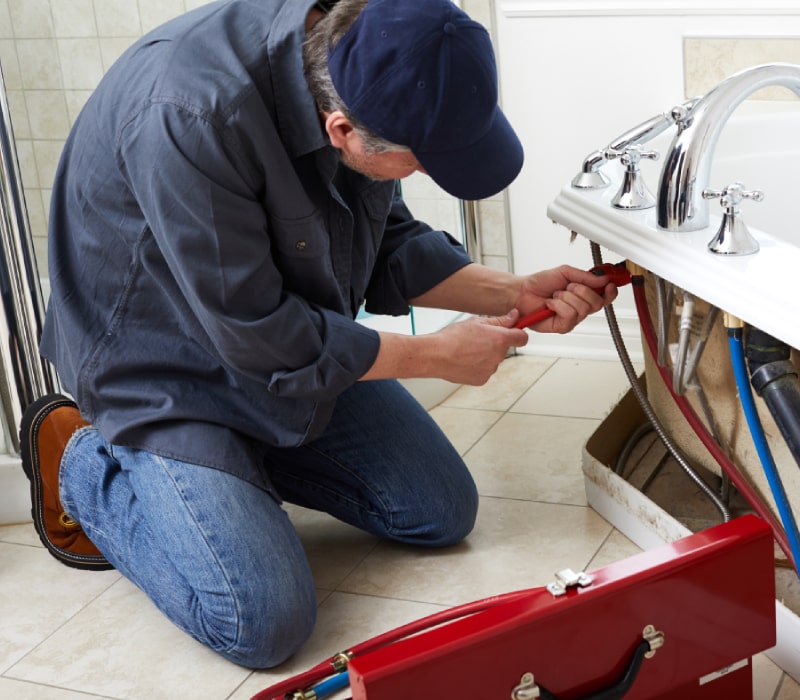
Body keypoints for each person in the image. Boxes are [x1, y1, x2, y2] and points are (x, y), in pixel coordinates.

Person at [20, 0, 617, 669]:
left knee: (439, 511)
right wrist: (433, 357)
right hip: (167, 369)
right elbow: (259, 332)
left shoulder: (361, 62)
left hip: (281, 341)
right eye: (419, 163)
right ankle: (83, 464)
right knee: (261, 623)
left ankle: (238, 470)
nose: (421, 175)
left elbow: (388, 242)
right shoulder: (191, 113)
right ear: (344, 132)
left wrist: (515, 290)